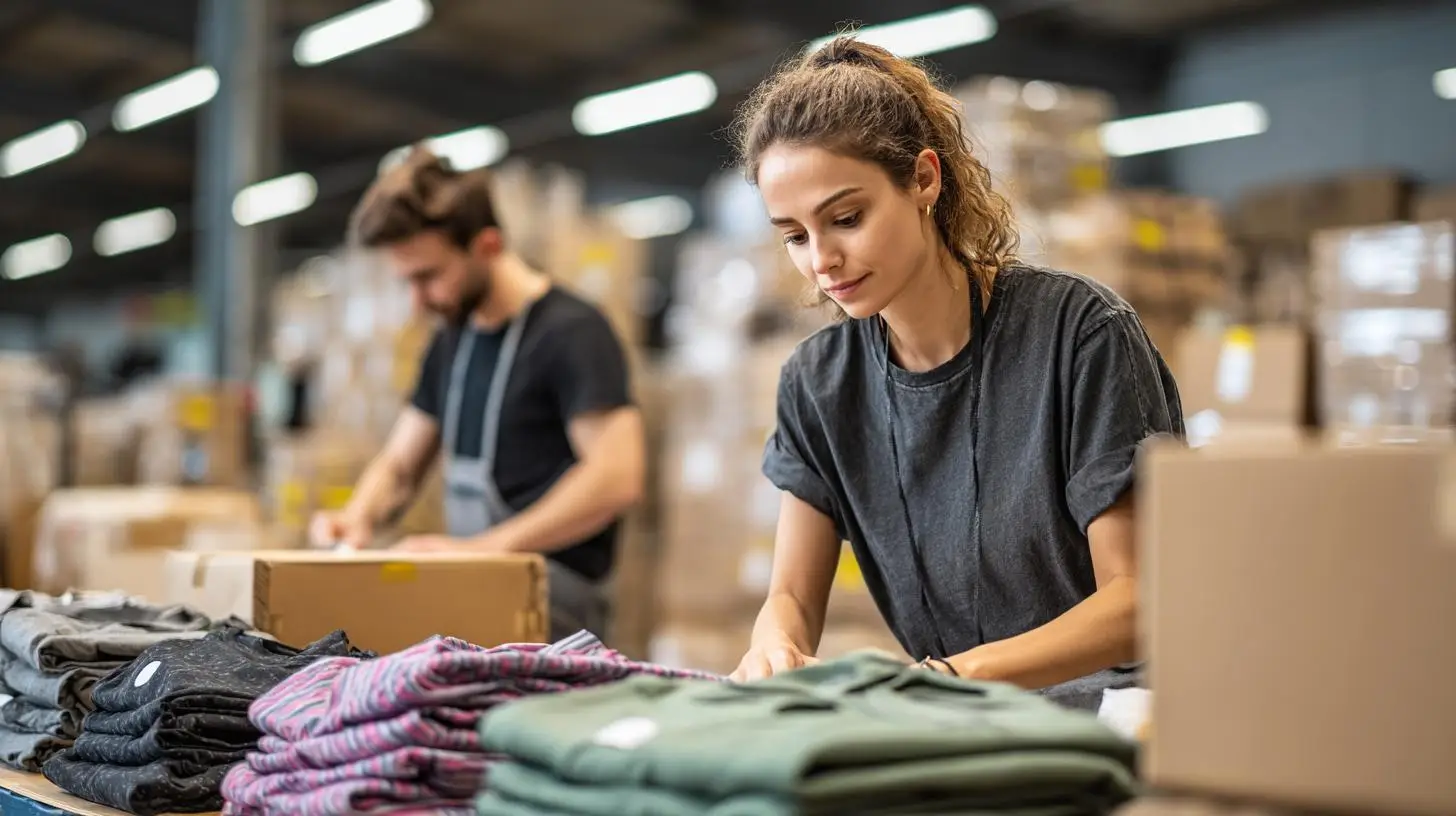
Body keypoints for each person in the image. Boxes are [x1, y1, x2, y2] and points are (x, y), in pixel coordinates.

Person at [726, 37, 1184, 711]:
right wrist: (773, 648)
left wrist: (945, 677)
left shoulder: (1080, 334)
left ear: (924, 181)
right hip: (958, 724)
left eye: (846, 218)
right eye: (794, 235)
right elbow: (790, 597)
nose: (822, 260)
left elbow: (1137, 602)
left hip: (1114, 725)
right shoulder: (818, 385)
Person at [308, 147, 646, 642]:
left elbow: (616, 477)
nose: (417, 301)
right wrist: (357, 517)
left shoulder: (572, 332)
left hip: (554, 606)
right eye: (406, 282)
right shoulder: (452, 341)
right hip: (476, 583)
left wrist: (490, 548)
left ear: (486, 245)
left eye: (427, 277)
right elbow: (401, 467)